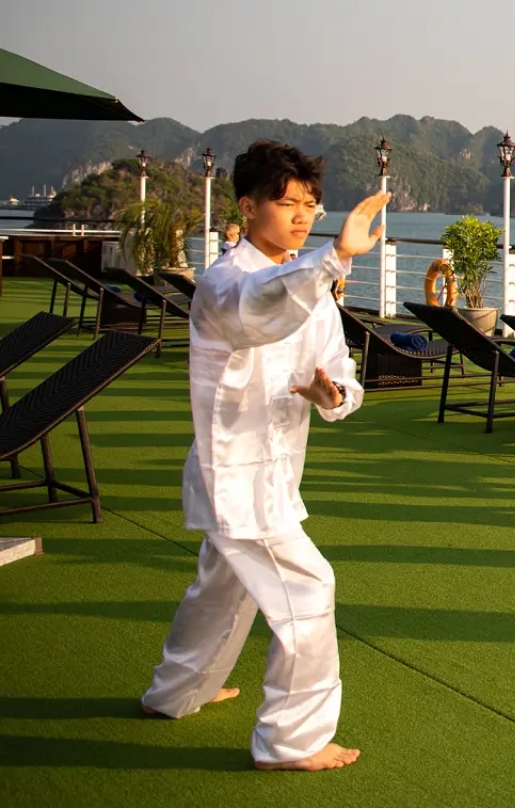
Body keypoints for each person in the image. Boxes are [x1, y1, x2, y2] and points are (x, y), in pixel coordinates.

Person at [141, 141, 391, 771]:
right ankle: (291, 739)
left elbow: (339, 372)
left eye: (310, 206)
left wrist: (330, 392)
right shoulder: (226, 283)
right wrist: (333, 257)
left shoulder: (311, 290)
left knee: (220, 587)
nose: (302, 217)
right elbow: (262, 311)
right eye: (287, 204)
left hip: (271, 476)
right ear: (248, 208)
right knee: (309, 588)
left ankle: (175, 692)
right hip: (234, 477)